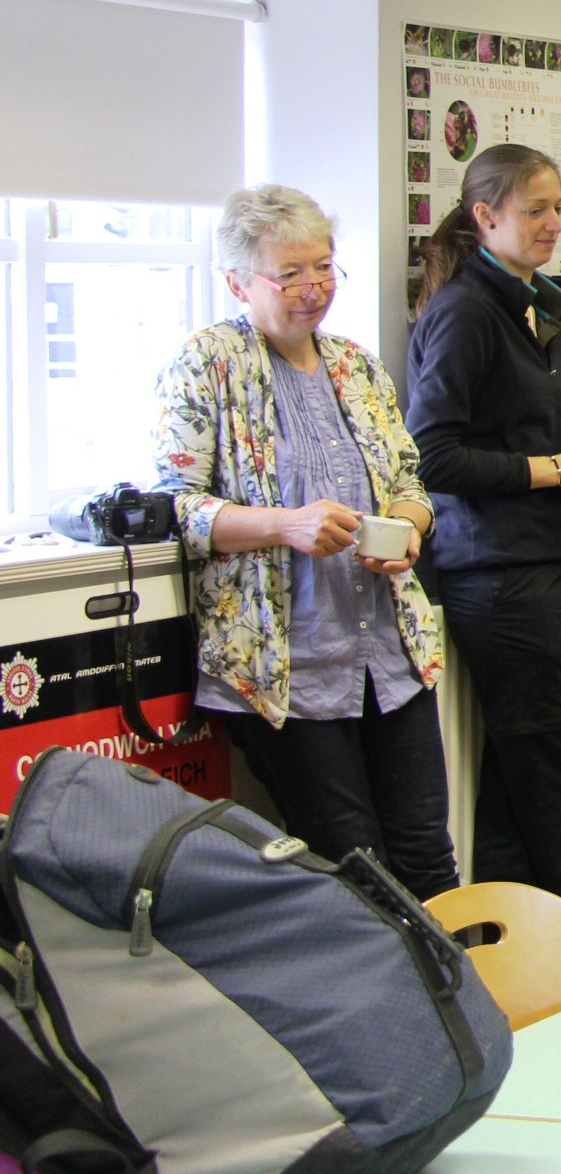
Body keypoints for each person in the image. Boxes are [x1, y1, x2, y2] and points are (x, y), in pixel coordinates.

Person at [151, 185, 455, 900]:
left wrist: (408, 529)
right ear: (237, 281)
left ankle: (461, 1006)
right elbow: (176, 505)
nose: (313, 287)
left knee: (429, 859)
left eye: (323, 267)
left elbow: (412, 478)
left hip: (390, 653)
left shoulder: (355, 364)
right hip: (287, 667)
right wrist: (285, 526)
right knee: (358, 874)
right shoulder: (208, 364)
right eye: (289, 273)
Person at [406, 144, 561, 975]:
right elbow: (434, 457)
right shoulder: (465, 312)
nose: (554, 225)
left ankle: (527, 977)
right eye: (535, 211)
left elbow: (523, 443)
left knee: (519, 796)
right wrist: (559, 469)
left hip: (556, 558)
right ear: (485, 217)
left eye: (559, 208)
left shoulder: (533, 305)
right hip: (502, 578)